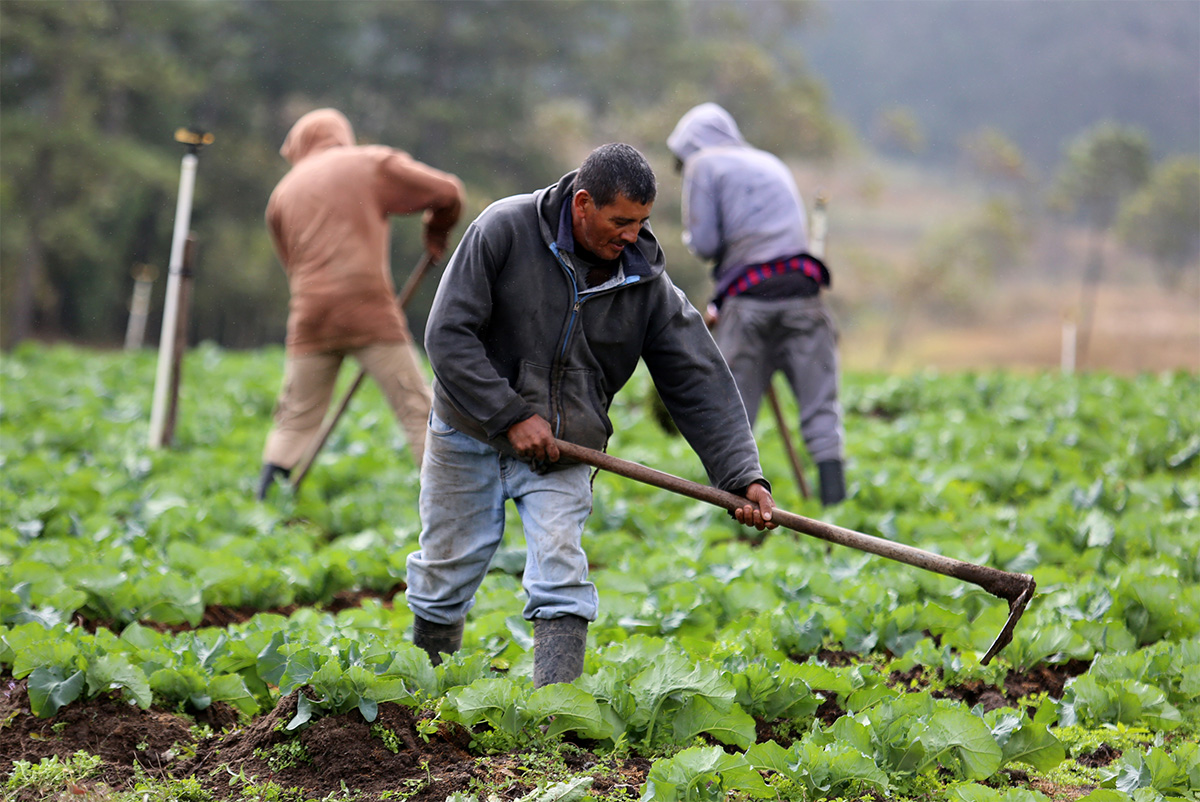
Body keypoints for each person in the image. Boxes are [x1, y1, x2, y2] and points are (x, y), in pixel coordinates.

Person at [405, 143, 776, 686]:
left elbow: (699, 378)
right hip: (469, 432)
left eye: (643, 222)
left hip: (564, 447)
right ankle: (421, 702)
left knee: (561, 572)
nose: (632, 235)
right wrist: (509, 414)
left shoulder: (644, 279)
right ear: (582, 204)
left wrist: (742, 475)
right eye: (621, 221)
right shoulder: (503, 231)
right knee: (443, 576)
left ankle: (555, 714)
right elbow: (447, 336)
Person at [256, 108, 464, 500]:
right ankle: (449, 505)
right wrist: (436, 230)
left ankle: (265, 503)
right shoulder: (367, 164)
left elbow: (293, 266)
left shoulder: (281, 194)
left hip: (310, 316)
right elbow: (448, 192)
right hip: (368, 312)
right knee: (416, 409)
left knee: (294, 419)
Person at [667, 102, 847, 507]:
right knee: (821, 410)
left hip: (748, 301)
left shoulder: (702, 164)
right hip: (805, 296)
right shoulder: (769, 162)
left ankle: (742, 519)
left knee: (736, 415)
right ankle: (838, 509)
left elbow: (706, 243)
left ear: (690, 145)